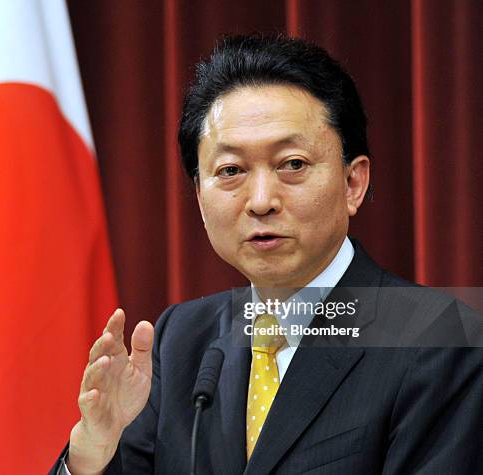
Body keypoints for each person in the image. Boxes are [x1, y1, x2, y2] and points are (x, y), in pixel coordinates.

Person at [51, 35, 483, 474]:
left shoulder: (439, 339)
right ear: (200, 198)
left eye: (292, 164)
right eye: (231, 171)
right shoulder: (182, 339)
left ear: (354, 183)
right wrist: (93, 451)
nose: (261, 200)